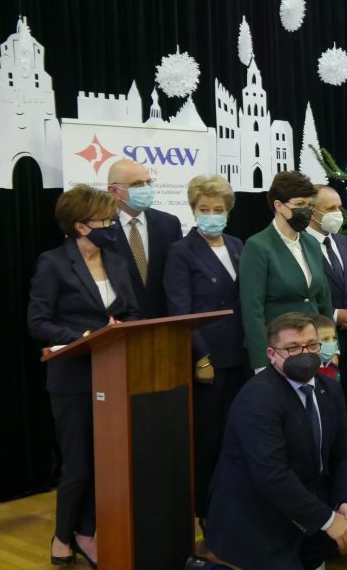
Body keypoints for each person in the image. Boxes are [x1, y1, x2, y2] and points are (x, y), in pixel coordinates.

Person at [185, 313, 347, 570]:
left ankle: (295, 569)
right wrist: (330, 521)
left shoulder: (329, 389)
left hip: (297, 501)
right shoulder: (258, 399)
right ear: (271, 355)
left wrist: (344, 503)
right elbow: (272, 479)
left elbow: (344, 453)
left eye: (311, 345)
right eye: (292, 348)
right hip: (256, 516)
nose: (305, 354)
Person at [27, 184, 140, 569]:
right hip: (73, 379)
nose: (111, 226)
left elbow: (133, 313)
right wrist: (84, 337)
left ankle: (87, 532)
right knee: (79, 463)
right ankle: (63, 535)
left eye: (112, 220)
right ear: (79, 225)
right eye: (103, 221)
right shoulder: (54, 263)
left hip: (113, 374)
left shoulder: (118, 261)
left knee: (107, 460)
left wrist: (122, 327)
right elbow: (38, 320)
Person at [163, 174, 245, 529]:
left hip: (241, 354)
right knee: (208, 438)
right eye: (204, 208)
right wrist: (201, 356)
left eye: (218, 209)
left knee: (237, 434)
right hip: (209, 359)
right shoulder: (181, 252)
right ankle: (205, 512)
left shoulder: (238, 245)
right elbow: (180, 310)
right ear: (193, 210)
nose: (212, 214)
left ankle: (234, 503)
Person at [240, 172, 334, 373]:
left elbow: (323, 300)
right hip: (280, 353)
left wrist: (331, 344)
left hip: (312, 348)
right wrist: (261, 363)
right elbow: (252, 311)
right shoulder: (258, 246)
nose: (306, 211)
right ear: (279, 205)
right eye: (299, 204)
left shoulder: (311, 243)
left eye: (309, 205)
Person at [307, 185, 347, 432]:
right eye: (330, 208)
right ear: (312, 212)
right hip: (318, 341)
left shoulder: (345, 243)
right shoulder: (302, 246)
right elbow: (305, 293)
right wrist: (334, 315)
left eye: (339, 207)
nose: (337, 213)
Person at [105, 158, 182, 318]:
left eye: (148, 182)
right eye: (137, 184)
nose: (146, 188)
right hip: (121, 326)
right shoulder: (101, 228)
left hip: (163, 324)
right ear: (114, 191)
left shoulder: (169, 224)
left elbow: (176, 279)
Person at [313, 314, 341, 379]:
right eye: (325, 339)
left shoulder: (331, 363)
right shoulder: (309, 371)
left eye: (334, 338)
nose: (332, 343)